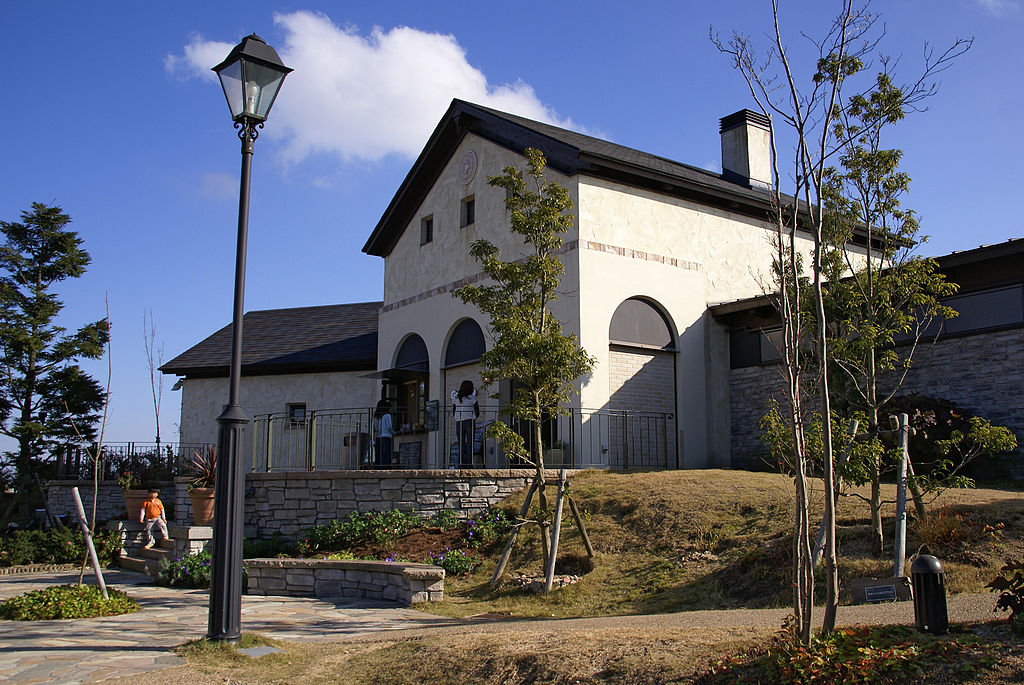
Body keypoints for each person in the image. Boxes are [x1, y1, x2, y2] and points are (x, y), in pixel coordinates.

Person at [451, 380, 479, 467]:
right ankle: (469, 464)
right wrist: (474, 417)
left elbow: (454, 411)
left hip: (459, 422)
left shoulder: (456, 399)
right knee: (470, 443)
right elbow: (477, 411)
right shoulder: (473, 399)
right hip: (470, 421)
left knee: (461, 443)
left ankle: (461, 463)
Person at [372, 399, 393, 467]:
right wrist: (393, 432)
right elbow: (389, 427)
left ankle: (378, 467)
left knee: (379, 455)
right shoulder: (386, 416)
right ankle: (384, 467)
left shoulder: (376, 416)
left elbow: (375, 428)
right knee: (385, 454)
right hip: (385, 436)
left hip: (378, 437)